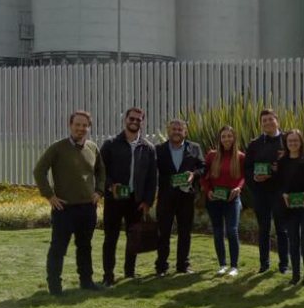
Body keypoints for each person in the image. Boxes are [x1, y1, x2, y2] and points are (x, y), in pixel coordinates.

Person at [33, 110, 106, 296]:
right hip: (64, 208)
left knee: (85, 246)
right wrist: (49, 195)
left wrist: (99, 191)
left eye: (84, 125)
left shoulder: (92, 147)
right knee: (58, 248)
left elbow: (101, 172)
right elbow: (39, 170)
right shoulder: (58, 148)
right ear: (70, 125)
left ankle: (86, 281)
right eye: (77, 125)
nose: (81, 129)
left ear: (88, 128)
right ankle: (55, 287)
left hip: (87, 208)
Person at [99, 107, 157, 285]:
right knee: (111, 238)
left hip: (136, 200)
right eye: (132, 118)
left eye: (138, 119)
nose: (135, 122)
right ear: (125, 119)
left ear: (142, 122)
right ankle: (108, 275)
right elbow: (100, 171)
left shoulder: (148, 148)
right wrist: (110, 186)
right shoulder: (110, 144)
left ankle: (129, 272)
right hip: (115, 199)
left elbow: (152, 177)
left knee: (134, 237)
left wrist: (148, 201)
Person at [154, 119, 205, 277]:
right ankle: (161, 267)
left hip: (186, 197)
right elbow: (152, 173)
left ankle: (183, 265)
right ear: (168, 131)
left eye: (179, 129)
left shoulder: (194, 148)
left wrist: (194, 174)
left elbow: (203, 167)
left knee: (185, 232)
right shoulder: (158, 149)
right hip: (166, 197)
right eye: (173, 129)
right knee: (163, 233)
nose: (176, 132)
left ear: (185, 132)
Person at [244, 109, 289, 274]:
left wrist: (279, 169)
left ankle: (284, 264)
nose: (268, 123)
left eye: (270, 119)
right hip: (261, 193)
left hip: (280, 193)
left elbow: (297, 164)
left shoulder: (287, 140)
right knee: (263, 229)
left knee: (282, 230)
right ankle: (264, 264)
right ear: (261, 124)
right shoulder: (254, 144)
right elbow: (247, 168)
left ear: (277, 120)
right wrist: (255, 179)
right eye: (264, 121)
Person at [277, 129, 304, 288]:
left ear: (301, 142)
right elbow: (279, 184)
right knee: (293, 242)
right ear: (286, 143)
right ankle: (295, 276)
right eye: (290, 141)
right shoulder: (282, 161)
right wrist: (283, 195)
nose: (293, 144)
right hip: (290, 208)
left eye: (296, 140)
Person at [200, 125, 245, 277]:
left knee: (232, 231)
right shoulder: (212, 156)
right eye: (224, 136)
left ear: (234, 138)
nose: (227, 139)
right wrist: (208, 191)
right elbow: (203, 177)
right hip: (214, 200)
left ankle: (234, 266)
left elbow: (244, 177)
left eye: (229, 136)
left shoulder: (240, 156)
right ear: (220, 139)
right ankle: (222, 264)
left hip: (232, 200)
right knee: (218, 232)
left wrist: (239, 188)